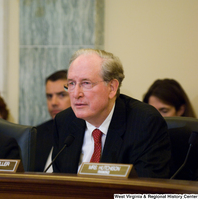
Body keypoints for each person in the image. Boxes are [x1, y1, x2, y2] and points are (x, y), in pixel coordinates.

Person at [52, 49, 171, 178]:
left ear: (112, 88)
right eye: (71, 84)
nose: (76, 94)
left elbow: (147, 187)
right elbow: (60, 182)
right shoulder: (64, 121)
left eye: (86, 83)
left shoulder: (144, 123)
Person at [35, 70, 71, 172]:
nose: (53, 102)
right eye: (49, 96)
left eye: (62, 95)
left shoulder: (88, 131)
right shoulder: (37, 133)